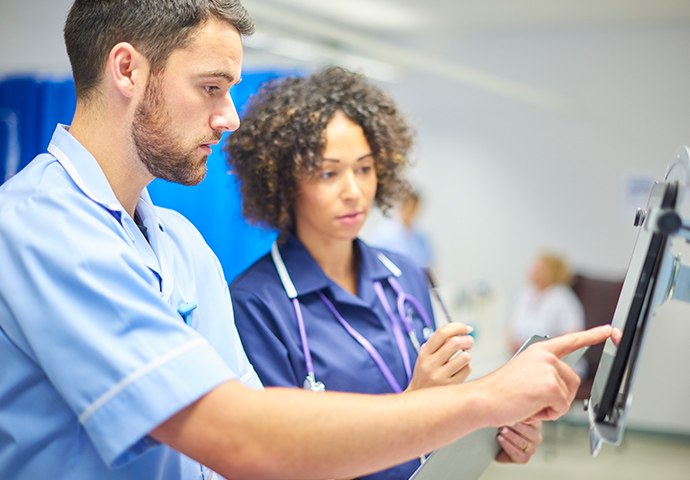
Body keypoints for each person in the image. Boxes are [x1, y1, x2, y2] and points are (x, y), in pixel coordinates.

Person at [0, 1, 612, 479]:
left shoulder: (181, 244)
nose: (229, 115)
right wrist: (483, 400)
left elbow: (261, 434)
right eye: (211, 87)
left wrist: (469, 424)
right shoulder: (42, 229)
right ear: (127, 69)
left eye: (365, 168)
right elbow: (238, 436)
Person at [226, 66, 537, 479]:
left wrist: (491, 429)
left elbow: (437, 416)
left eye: (364, 168)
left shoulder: (405, 276)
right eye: (328, 173)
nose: (353, 190)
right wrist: (414, 403)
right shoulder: (257, 303)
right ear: (284, 183)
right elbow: (277, 459)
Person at [508, 252, 586, 361]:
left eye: (539, 268)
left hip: (556, 361)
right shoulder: (525, 294)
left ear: (552, 273)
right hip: (524, 359)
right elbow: (513, 333)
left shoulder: (563, 298)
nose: (532, 270)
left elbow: (573, 337)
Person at [368, 188, 434, 270]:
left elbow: (427, 263)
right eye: (409, 206)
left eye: (415, 207)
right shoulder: (384, 233)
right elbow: (378, 261)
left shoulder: (421, 236)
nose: (411, 211)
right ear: (402, 206)